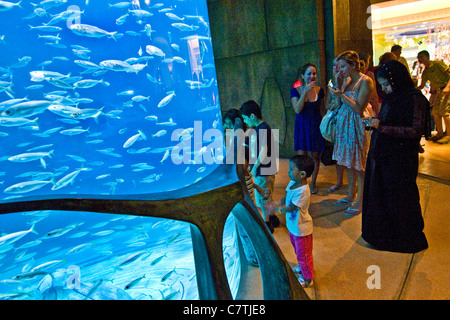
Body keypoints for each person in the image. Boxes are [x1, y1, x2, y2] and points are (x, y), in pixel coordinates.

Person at [362, 60, 429, 253]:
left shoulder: (415, 99)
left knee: (402, 196)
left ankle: (405, 238)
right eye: (381, 85)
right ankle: (383, 236)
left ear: (396, 79)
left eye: (385, 85)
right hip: (384, 156)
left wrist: (381, 127)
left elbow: (415, 130)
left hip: (402, 159)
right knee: (384, 195)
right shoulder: (392, 97)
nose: (384, 89)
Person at [328, 50, 374, 216]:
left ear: (353, 65)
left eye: (342, 66)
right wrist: (338, 86)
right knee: (348, 161)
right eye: (338, 66)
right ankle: (350, 194)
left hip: (356, 125)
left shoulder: (365, 81)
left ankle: (360, 200)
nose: (339, 69)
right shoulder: (347, 81)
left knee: (359, 163)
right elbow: (337, 103)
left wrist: (341, 94)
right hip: (345, 125)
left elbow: (359, 108)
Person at [266, 155, 315, 288]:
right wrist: (277, 202)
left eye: (291, 169)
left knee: (304, 255)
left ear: (303, 174)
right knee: (298, 252)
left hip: (302, 230)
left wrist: (275, 208)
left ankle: (307, 278)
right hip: (294, 227)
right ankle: (302, 267)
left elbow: (292, 208)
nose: (288, 171)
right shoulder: (293, 183)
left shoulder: (303, 191)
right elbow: (286, 197)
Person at [240, 100, 279, 232]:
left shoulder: (263, 128)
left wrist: (255, 167)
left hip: (264, 170)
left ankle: (267, 224)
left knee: (263, 198)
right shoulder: (258, 129)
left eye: (245, 118)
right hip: (266, 169)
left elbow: (264, 150)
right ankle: (273, 217)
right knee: (267, 195)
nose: (245, 121)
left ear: (252, 116)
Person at [290, 63, 326, 194]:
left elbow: (322, 110)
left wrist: (326, 128)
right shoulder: (296, 91)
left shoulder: (319, 90)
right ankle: (301, 183)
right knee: (301, 157)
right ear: (303, 76)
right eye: (309, 73)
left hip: (315, 126)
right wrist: (305, 91)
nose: (312, 76)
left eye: (314, 73)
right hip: (302, 126)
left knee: (315, 157)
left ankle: (313, 183)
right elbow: (297, 109)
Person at [416, 50, 450, 144]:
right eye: (419, 57)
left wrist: (448, 86)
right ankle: (440, 134)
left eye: (421, 56)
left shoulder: (438, 64)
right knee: (435, 112)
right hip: (439, 90)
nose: (420, 59)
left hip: (446, 88)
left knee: (444, 111)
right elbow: (422, 85)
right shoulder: (425, 72)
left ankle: (448, 135)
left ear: (427, 57)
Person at [325, 57, 345, 193]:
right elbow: (328, 104)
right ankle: (339, 181)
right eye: (334, 65)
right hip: (337, 122)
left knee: (351, 155)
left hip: (349, 122)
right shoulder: (331, 83)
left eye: (339, 65)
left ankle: (354, 186)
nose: (336, 68)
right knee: (338, 154)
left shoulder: (350, 82)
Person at [358, 52, 380, 116]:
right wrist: (377, 112)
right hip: (367, 107)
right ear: (366, 62)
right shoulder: (369, 75)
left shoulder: (350, 76)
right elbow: (373, 96)